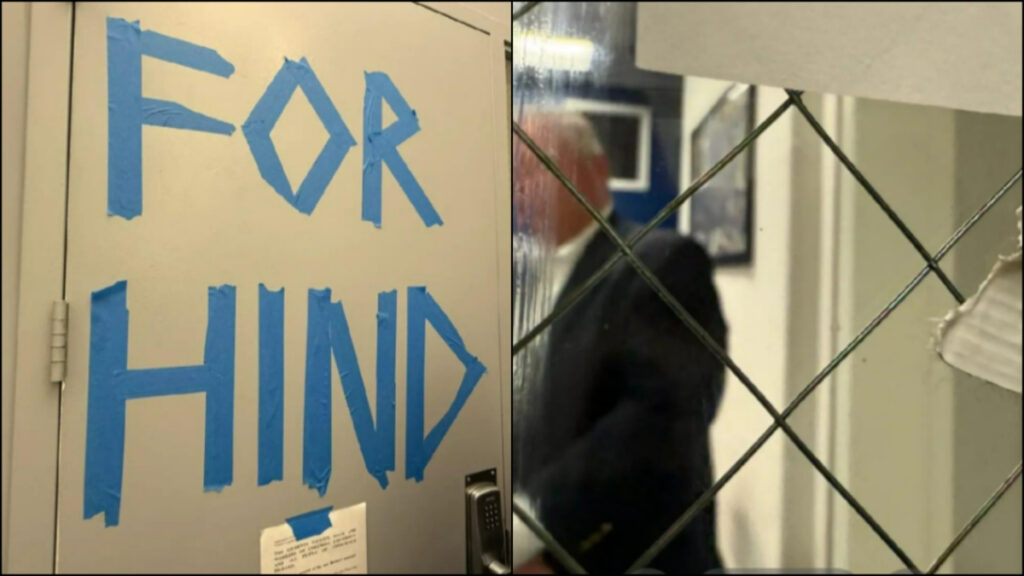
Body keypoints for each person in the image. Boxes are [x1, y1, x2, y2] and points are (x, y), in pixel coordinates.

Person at [513, 111, 727, 574]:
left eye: (536, 165)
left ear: (598, 170)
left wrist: (538, 538)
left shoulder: (663, 262)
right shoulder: (517, 281)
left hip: (619, 555)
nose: (521, 185)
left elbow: (657, 424)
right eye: (514, 171)